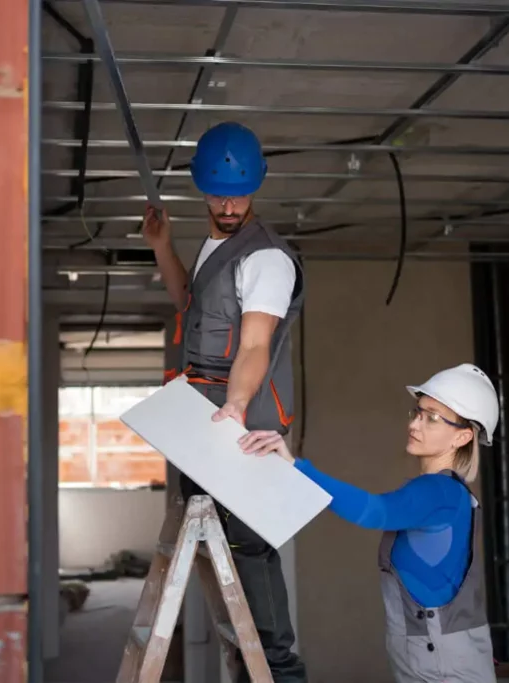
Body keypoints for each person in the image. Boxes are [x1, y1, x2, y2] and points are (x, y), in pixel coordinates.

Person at [142, 121, 308, 683]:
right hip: (202, 428)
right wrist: (162, 248)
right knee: (224, 565)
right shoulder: (219, 246)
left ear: (257, 186)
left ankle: (282, 676)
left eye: (238, 193)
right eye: (218, 193)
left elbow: (256, 344)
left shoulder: (266, 259)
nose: (230, 204)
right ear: (203, 190)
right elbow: (191, 303)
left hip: (238, 430)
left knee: (251, 561)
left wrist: (235, 406)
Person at [239, 363, 501, 683]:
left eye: (432, 417)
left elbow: (375, 511)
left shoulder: (438, 492)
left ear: (462, 436)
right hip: (440, 657)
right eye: (417, 412)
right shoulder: (449, 493)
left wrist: (296, 465)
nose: (416, 424)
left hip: (443, 665)